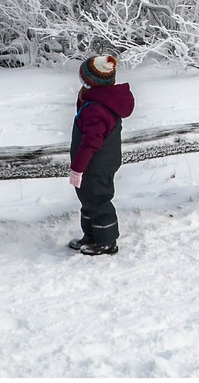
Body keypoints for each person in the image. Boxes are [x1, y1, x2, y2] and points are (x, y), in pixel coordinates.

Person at [69, 53, 134, 256]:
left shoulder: (96, 109)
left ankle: (107, 241)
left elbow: (90, 142)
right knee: (88, 198)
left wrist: (78, 168)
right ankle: (91, 235)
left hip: (95, 163)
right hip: (97, 161)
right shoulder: (99, 101)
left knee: (98, 199)